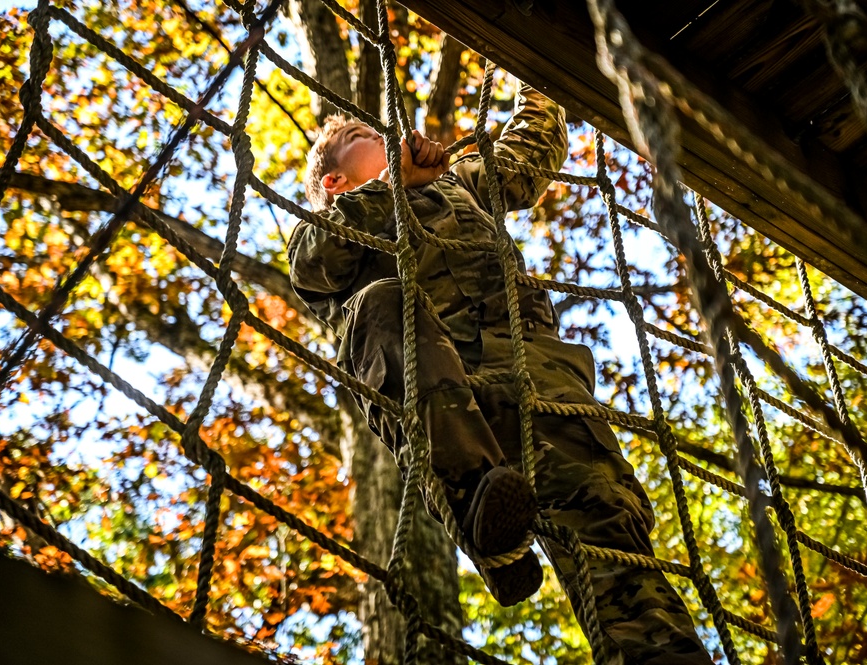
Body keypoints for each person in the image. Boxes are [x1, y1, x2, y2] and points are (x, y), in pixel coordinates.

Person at [287, 82, 713, 664]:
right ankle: (481, 509)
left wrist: (535, 87)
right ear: (334, 181)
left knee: (610, 531)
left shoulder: (459, 182)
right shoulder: (330, 228)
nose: (385, 133)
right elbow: (313, 264)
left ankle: (660, 654)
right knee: (381, 302)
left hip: (536, 383)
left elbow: (527, 155)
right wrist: (395, 185)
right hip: (445, 400)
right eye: (364, 135)